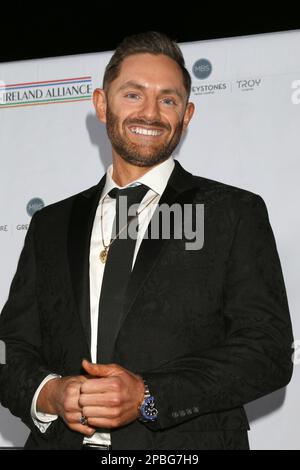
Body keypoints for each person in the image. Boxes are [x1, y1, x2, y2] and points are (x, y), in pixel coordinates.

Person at [0, 31, 294, 450]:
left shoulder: (233, 212)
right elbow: (10, 350)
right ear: (102, 104)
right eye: (133, 95)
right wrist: (49, 393)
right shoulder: (51, 223)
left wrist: (148, 396)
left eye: (168, 100)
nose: (151, 113)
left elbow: (267, 352)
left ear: (187, 114)